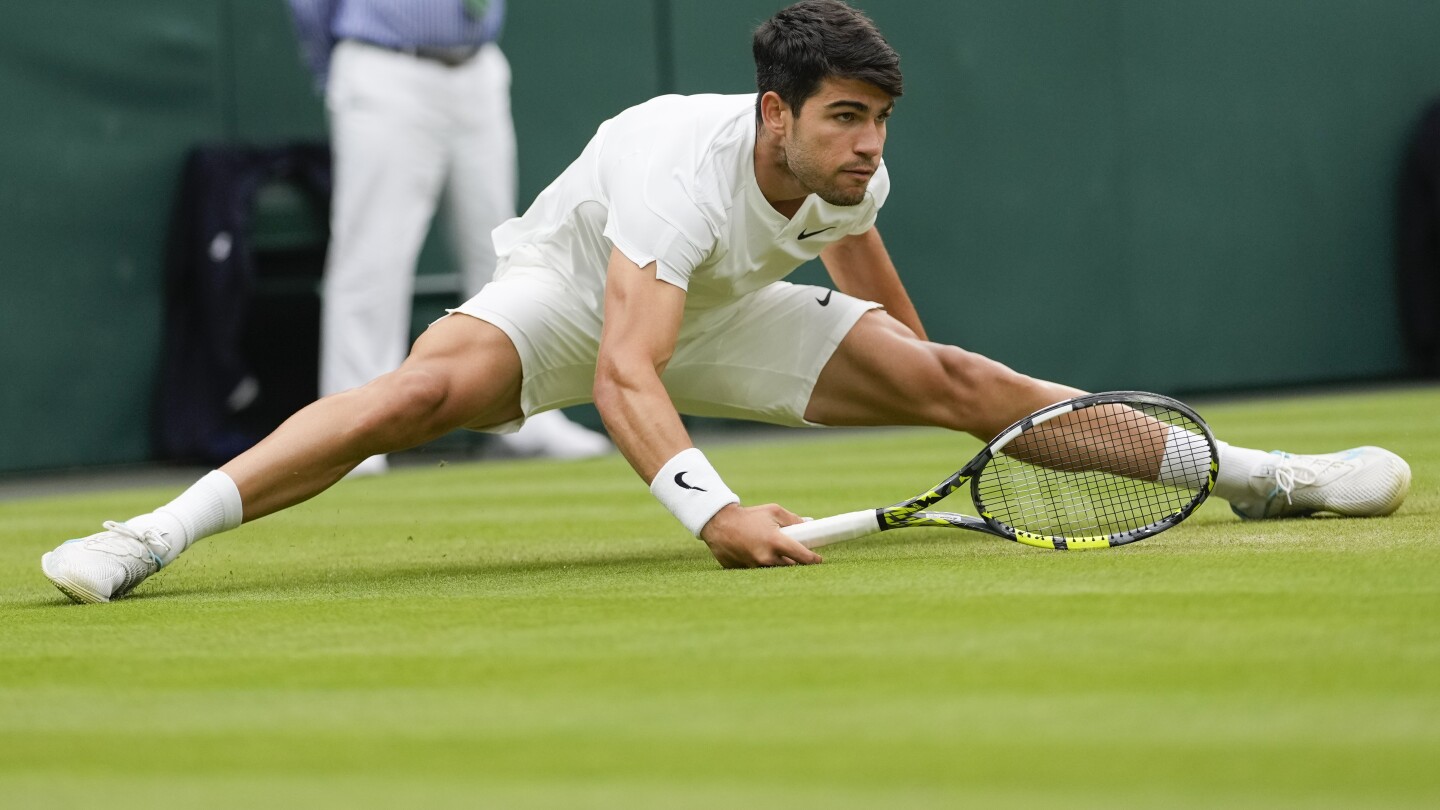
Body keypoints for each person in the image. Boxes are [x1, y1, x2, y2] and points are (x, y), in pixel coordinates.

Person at [43, 0, 1410, 602]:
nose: (870, 145)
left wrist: (933, 384)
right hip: (575, 303)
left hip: (718, 313)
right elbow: (629, 373)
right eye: (848, 120)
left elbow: (878, 287)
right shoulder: (676, 166)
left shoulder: (852, 165)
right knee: (406, 394)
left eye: (879, 120)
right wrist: (717, 511)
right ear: (777, 112)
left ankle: (1259, 473)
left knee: (972, 378)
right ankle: (150, 535)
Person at [287, 0, 611, 474]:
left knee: (502, 251)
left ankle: (527, 413)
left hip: (479, 66)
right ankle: (352, 436)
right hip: (386, 65)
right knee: (371, 260)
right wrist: (337, 66)